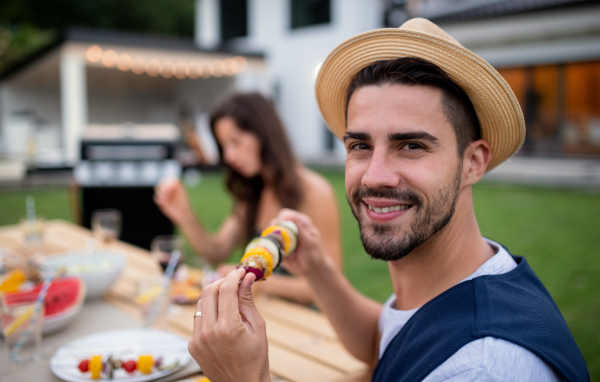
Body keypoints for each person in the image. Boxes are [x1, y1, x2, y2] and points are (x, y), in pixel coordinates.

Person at [187, 18, 590, 382]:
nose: (375, 176)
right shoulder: (458, 283)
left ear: (473, 162)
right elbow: (386, 340)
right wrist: (318, 270)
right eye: (360, 145)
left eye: (411, 145)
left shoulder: (481, 368)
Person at [154, 92, 342, 305]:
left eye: (235, 142)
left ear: (264, 135)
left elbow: (331, 286)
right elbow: (217, 251)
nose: (228, 156)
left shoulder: (316, 192)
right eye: (224, 146)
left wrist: (255, 278)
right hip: (263, 317)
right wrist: (183, 214)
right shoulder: (253, 192)